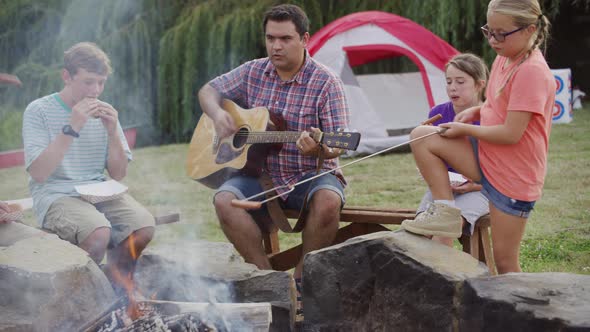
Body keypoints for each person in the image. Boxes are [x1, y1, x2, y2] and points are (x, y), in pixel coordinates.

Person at [197, 3, 348, 317]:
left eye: (285, 39)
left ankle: (303, 280)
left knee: (329, 202)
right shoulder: (254, 70)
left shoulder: (326, 83)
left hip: (310, 173)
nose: (276, 46)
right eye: (270, 38)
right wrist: (217, 112)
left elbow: (337, 145)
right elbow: (208, 90)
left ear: (304, 38)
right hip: (259, 173)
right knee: (224, 200)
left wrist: (319, 148)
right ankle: (268, 281)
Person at [401, 0, 555, 274]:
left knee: (506, 262)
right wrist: (475, 110)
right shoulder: (505, 58)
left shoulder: (531, 71)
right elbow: (497, 105)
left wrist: (466, 129)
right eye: (489, 31)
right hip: (489, 160)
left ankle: (521, 315)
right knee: (422, 136)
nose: (493, 40)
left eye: (501, 33)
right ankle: (445, 211)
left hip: (514, 177)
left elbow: (511, 132)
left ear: (529, 29)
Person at [22, 42, 155, 285]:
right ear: (66, 77)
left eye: (101, 82)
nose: (95, 90)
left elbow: (118, 174)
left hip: (98, 190)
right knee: (97, 234)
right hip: (55, 194)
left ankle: (114, 286)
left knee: (143, 226)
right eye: (88, 82)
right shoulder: (38, 110)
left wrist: (114, 132)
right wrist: (72, 126)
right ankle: (75, 292)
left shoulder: (105, 114)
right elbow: (39, 174)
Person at [416, 53, 490, 247]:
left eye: (460, 81)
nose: (453, 87)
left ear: (479, 84)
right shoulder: (438, 113)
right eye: (448, 82)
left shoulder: (490, 117)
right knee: (419, 231)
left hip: (481, 189)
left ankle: (445, 275)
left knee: (446, 228)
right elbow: (432, 160)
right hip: (444, 188)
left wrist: (474, 186)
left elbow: (499, 168)